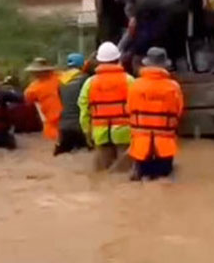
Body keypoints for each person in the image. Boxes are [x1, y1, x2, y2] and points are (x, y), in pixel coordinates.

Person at [127, 47, 184, 180]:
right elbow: (179, 111)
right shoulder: (173, 88)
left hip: (141, 147)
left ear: (146, 64)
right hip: (165, 147)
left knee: (142, 185)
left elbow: (128, 109)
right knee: (165, 183)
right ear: (165, 65)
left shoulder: (135, 86)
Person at [78, 42, 134, 171]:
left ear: (99, 61)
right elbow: (138, 107)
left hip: (100, 133)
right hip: (124, 132)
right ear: (118, 59)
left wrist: (87, 131)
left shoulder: (90, 83)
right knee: (124, 173)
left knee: (101, 172)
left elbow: (84, 109)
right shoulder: (129, 80)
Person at [55, 53, 91, 155]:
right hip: (80, 127)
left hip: (64, 127)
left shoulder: (60, 81)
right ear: (82, 65)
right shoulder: (85, 79)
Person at [23, 57, 63, 141]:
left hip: (55, 121)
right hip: (56, 121)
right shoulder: (62, 78)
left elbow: (27, 100)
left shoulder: (34, 87)